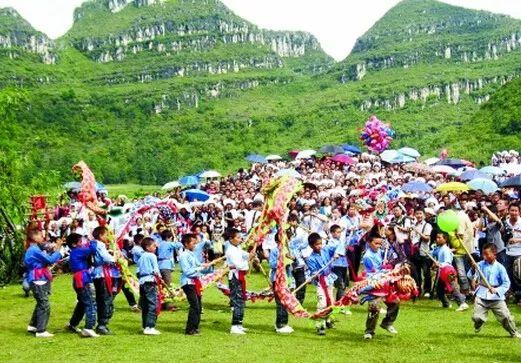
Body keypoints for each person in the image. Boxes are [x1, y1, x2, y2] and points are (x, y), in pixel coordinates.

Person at [468, 243, 521, 338]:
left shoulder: (500, 267)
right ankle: (478, 324)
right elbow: (471, 276)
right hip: (482, 295)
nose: (484, 256)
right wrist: (473, 269)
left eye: (487, 254)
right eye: (483, 254)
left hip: (496, 297)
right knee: (477, 317)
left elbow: (506, 283)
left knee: (505, 317)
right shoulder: (479, 265)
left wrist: (496, 290)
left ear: (494, 254)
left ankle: (514, 332)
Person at [24, 230, 64, 338]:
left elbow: (46, 259)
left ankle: (33, 325)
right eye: (41, 236)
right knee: (44, 304)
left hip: (39, 277)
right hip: (38, 278)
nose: (43, 238)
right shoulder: (34, 250)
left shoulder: (34, 249)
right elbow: (50, 260)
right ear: (34, 237)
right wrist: (59, 250)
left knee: (41, 302)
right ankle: (41, 330)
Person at [362, 231, 399, 340]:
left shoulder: (379, 251)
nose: (378, 246)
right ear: (369, 243)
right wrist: (383, 268)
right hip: (374, 284)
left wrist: (387, 264)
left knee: (395, 302)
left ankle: (387, 323)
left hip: (384, 282)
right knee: (374, 307)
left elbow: (384, 261)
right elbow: (374, 272)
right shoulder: (367, 256)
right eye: (376, 243)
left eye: (379, 244)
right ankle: (369, 331)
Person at [305, 232, 341, 335]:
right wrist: (315, 274)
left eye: (320, 243)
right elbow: (313, 272)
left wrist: (335, 254)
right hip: (321, 282)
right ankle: (320, 325)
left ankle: (328, 320)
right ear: (311, 246)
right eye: (317, 244)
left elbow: (339, 245)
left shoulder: (326, 250)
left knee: (331, 302)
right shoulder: (311, 258)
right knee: (322, 303)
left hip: (329, 279)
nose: (319, 246)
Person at [66, 233, 100, 337]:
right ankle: (89, 327)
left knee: (82, 303)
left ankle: (73, 324)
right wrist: (93, 240)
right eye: (80, 242)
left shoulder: (74, 252)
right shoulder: (78, 251)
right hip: (83, 279)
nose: (83, 243)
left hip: (79, 279)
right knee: (90, 302)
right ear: (74, 244)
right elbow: (93, 248)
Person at [91, 226, 118, 335]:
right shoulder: (99, 244)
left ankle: (100, 323)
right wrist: (115, 257)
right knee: (105, 298)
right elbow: (106, 258)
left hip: (98, 273)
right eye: (106, 235)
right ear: (101, 235)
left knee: (102, 298)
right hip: (102, 273)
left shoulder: (93, 244)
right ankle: (102, 324)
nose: (107, 237)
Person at [179, 233, 208, 335]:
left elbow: (197, 264)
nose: (195, 245)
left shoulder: (192, 254)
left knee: (198, 305)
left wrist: (204, 265)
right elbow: (187, 271)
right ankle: (190, 329)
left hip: (195, 282)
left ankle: (195, 327)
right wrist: (200, 268)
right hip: (188, 282)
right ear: (186, 244)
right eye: (193, 243)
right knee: (194, 305)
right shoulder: (183, 255)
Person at [432, 232, 469, 311]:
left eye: (439, 238)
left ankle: (462, 303)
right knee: (439, 289)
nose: (437, 239)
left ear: (445, 239)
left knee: (453, 287)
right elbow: (432, 253)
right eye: (437, 238)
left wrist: (439, 264)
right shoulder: (440, 249)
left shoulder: (445, 250)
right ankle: (446, 304)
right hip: (443, 272)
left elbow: (448, 262)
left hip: (448, 271)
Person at [225, 228, 249, 334]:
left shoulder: (237, 248)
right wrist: (247, 260)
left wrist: (250, 255)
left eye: (240, 237)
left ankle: (239, 323)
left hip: (240, 276)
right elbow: (239, 265)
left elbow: (245, 255)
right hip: (235, 277)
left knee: (241, 299)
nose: (240, 239)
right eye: (238, 238)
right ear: (231, 239)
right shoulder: (230, 250)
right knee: (237, 300)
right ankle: (234, 325)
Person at [268, 237, 294, 334]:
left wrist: (291, 258)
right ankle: (280, 324)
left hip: (286, 279)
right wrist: (281, 261)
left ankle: (284, 323)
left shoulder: (287, 250)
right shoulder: (274, 251)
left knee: (285, 302)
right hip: (277, 279)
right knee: (280, 302)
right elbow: (272, 264)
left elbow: (291, 264)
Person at [157, 229, 183, 311]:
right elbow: (180, 245)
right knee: (167, 286)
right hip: (165, 266)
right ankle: (168, 305)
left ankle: (162, 303)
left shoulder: (160, 244)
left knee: (161, 286)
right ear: (169, 237)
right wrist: (175, 239)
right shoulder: (168, 244)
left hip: (159, 266)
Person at [410, 208, 433, 297]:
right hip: (414, 252)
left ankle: (427, 290)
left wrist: (418, 231)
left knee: (426, 272)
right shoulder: (413, 224)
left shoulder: (427, 225)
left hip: (424, 251)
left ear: (424, 215)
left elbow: (427, 238)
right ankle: (417, 290)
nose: (419, 216)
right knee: (416, 272)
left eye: (420, 214)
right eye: (417, 214)